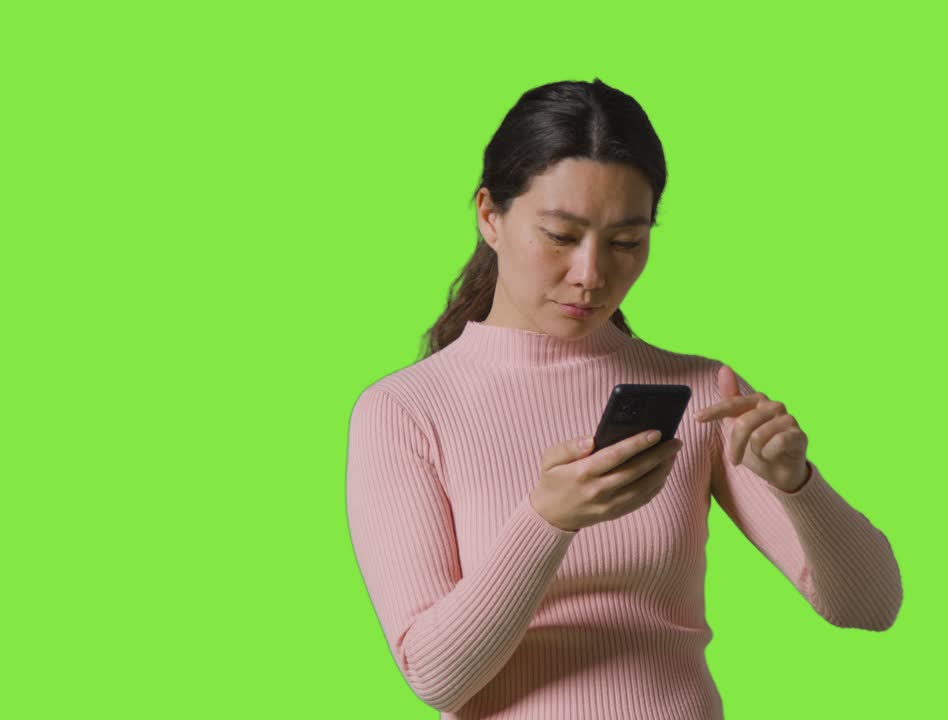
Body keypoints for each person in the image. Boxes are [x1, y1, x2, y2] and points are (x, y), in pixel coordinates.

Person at [345, 78, 903, 719]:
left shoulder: (701, 391)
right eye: (560, 235)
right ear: (489, 215)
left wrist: (799, 485)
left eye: (626, 242)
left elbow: (871, 607)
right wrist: (548, 520)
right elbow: (435, 677)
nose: (591, 274)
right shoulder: (405, 412)